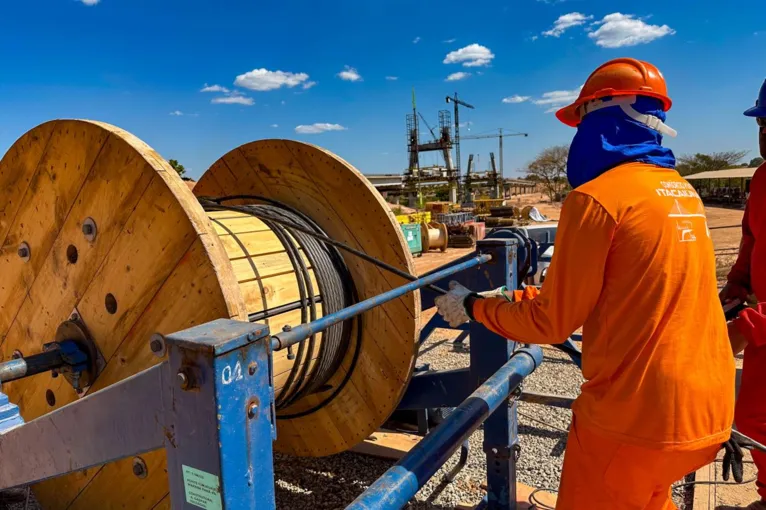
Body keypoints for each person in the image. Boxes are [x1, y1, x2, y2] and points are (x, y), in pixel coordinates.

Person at [435, 58, 735, 509]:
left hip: (632, 424)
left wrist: (475, 305)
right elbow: (625, 291)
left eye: (582, 121)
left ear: (605, 115)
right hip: (706, 414)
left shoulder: (595, 198)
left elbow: (551, 324)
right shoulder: (680, 192)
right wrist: (511, 296)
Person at [722, 78, 766, 510]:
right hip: (762, 336)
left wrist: (747, 326)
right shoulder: (763, 178)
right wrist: (735, 286)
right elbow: (751, 242)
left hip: (761, 328)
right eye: (763, 122)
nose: (765, 132)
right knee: (755, 419)